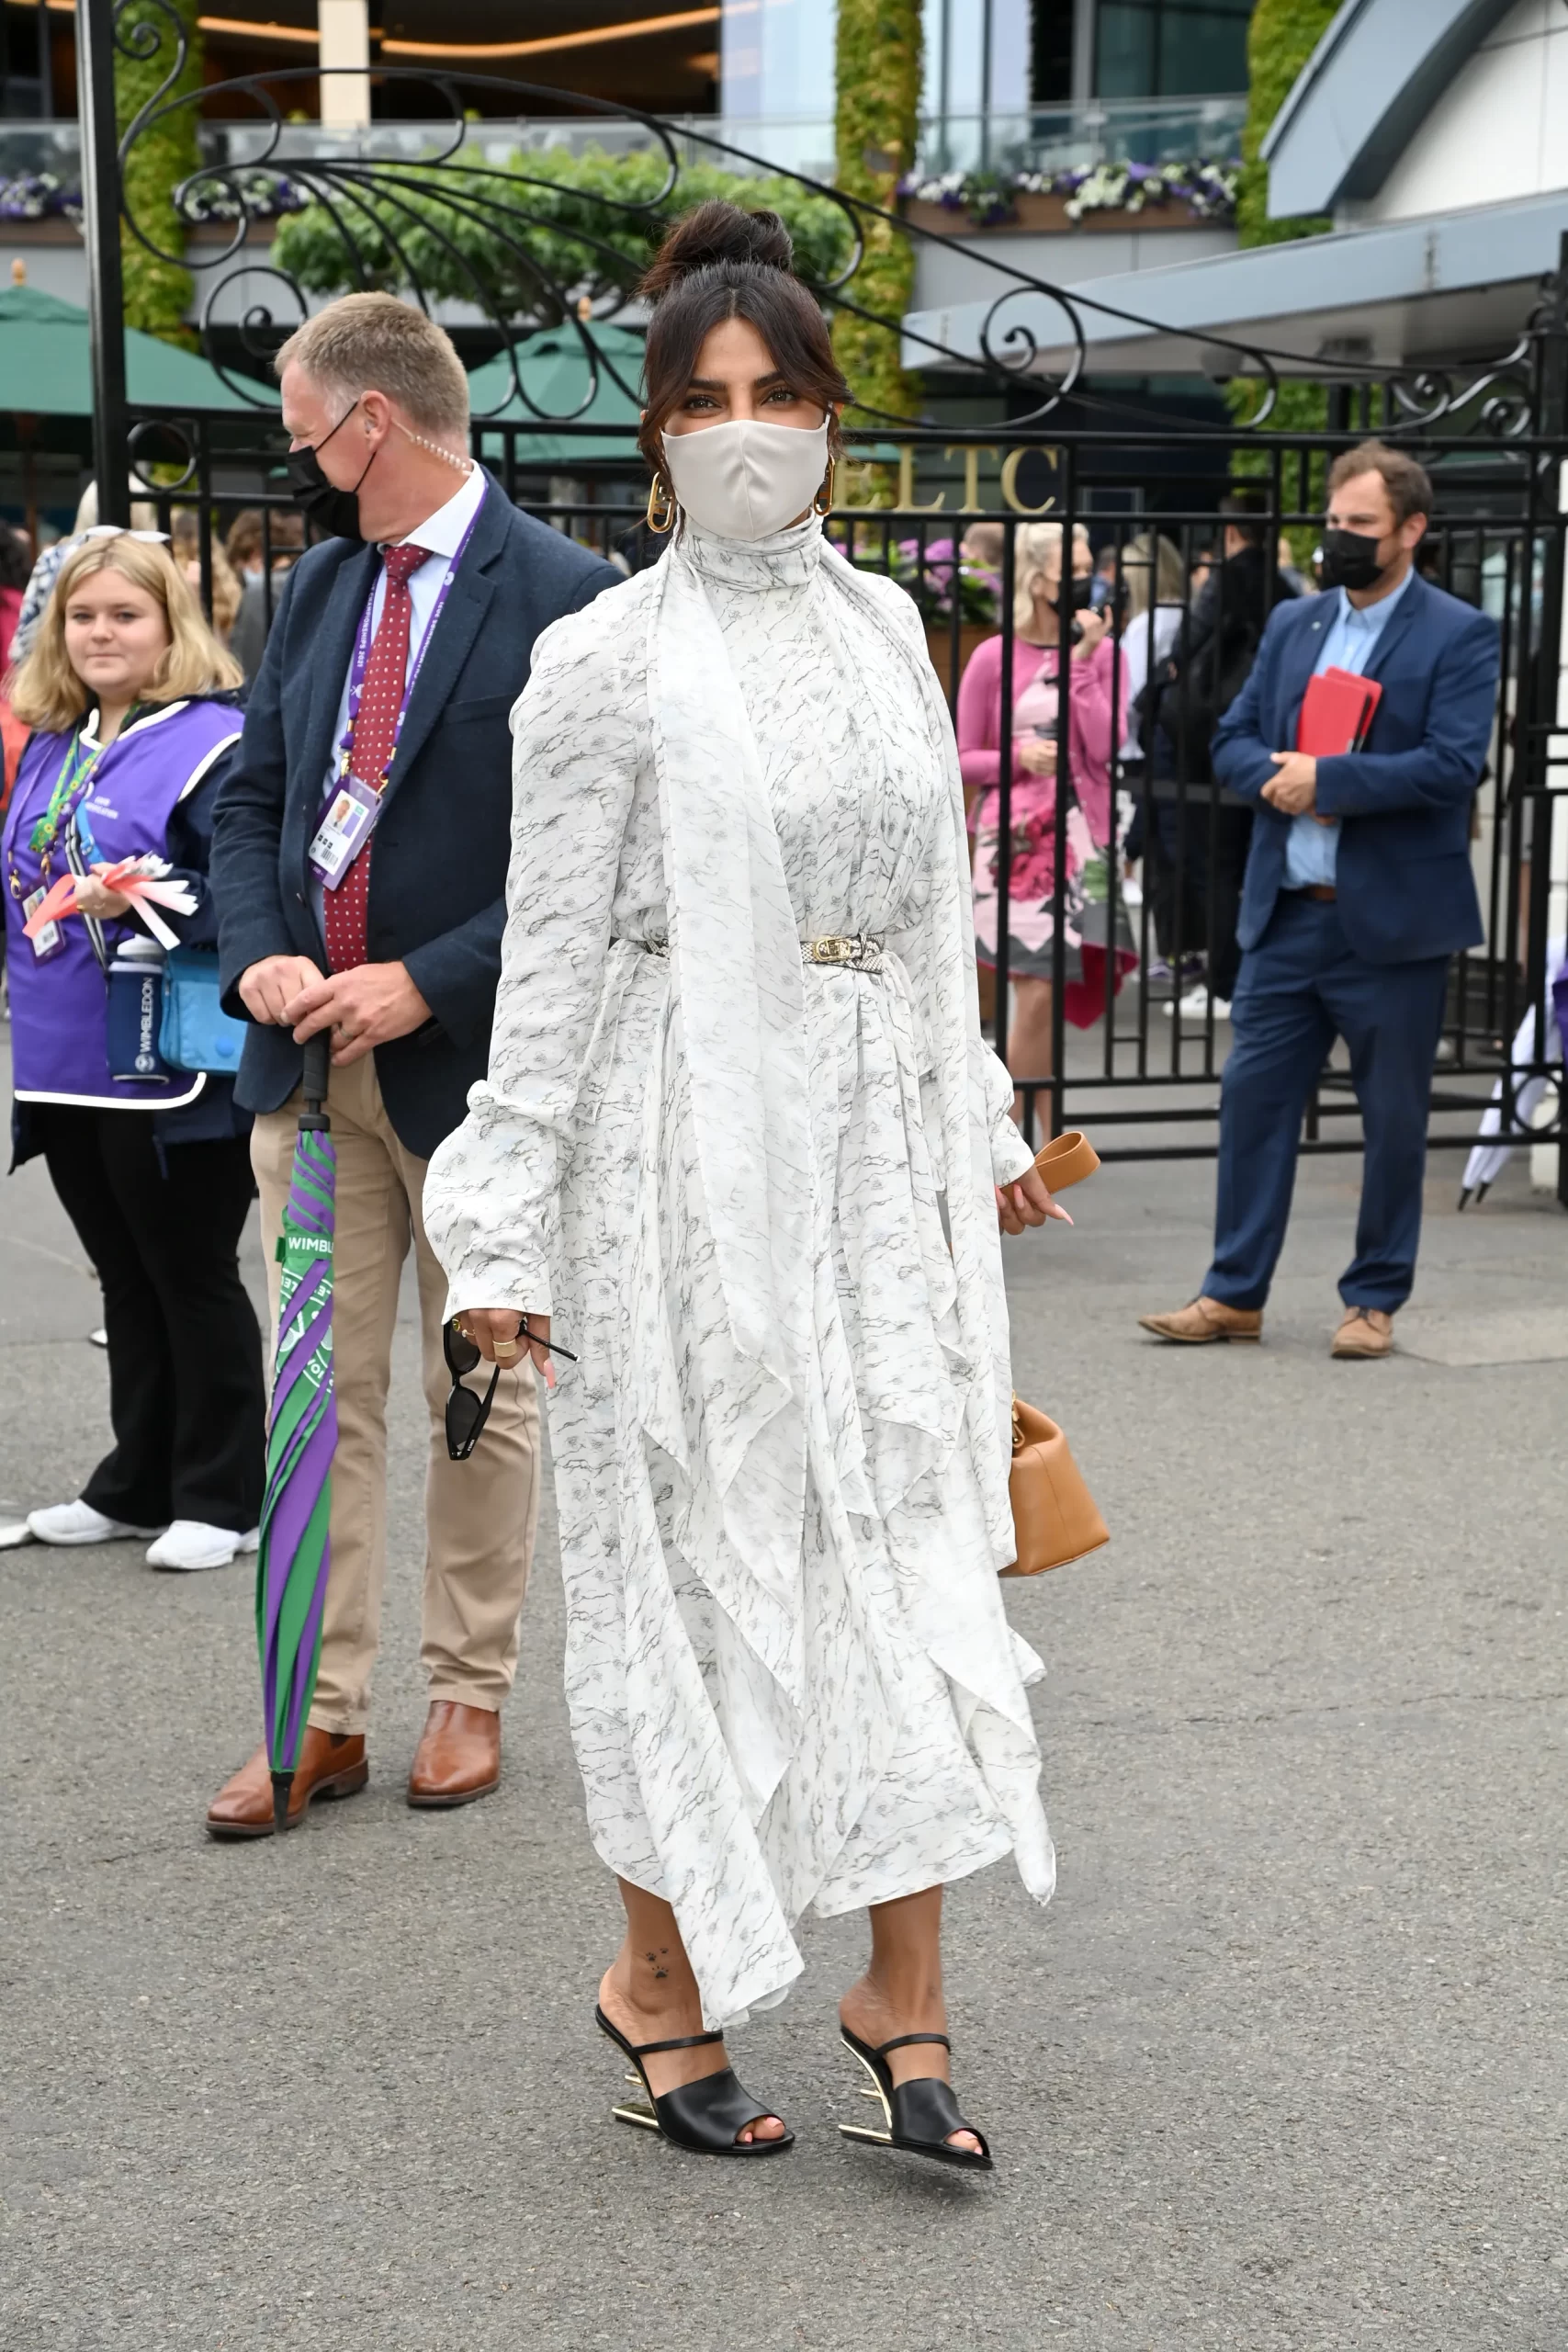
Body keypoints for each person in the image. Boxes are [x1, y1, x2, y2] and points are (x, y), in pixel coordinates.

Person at [423, 200, 1064, 2169]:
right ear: (653, 438)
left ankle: (906, 1992)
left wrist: (972, 1120)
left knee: (906, 1543)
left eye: (776, 389)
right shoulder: (599, 663)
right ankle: (658, 1980)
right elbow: (542, 972)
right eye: (703, 400)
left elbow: (924, 916)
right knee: (697, 1570)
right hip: (675, 1160)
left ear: (834, 417)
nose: (743, 428)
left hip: (870, 1154)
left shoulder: (884, 627)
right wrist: (499, 1230)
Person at [205, 292, 620, 1838]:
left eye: (301, 427)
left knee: (478, 1392)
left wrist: (427, 982)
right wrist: (263, 954)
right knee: (316, 1398)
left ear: (368, 421)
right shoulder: (312, 589)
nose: (294, 457)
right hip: (305, 1073)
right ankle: (314, 1717)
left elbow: (599, 859)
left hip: (478, 1085)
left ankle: (467, 1690)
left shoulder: (573, 596)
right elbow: (251, 802)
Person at [1140, 442, 1501, 1361]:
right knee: (1252, 1103)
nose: (1341, 540)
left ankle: (1373, 1299)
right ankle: (1232, 1292)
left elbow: (1456, 765)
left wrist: (1328, 779)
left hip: (1390, 925)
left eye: (1362, 528)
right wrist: (1275, 776)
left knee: (1391, 1121)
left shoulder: (1459, 633)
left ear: (1411, 531)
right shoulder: (1297, 621)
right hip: (1286, 914)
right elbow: (1228, 736)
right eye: (1334, 524)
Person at [3, 535, 265, 1569]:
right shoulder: (56, 739)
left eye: (125, 615)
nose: (101, 634)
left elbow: (246, 892)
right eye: (83, 616)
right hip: (61, 1053)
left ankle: (221, 1496)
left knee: (190, 1271)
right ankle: (136, 1480)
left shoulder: (214, 741)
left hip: (168, 1059)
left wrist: (149, 894)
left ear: (171, 627)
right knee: (122, 1277)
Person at [960, 520, 1134, 1114]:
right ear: (1038, 582)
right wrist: (1019, 757)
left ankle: (1038, 1134)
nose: (1090, 584)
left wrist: (1082, 661)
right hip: (1016, 845)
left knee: (1059, 985)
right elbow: (961, 758)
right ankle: (1011, 1143)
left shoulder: (1106, 654)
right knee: (1034, 988)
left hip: (1090, 843)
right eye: (1076, 574)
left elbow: (1106, 743)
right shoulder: (992, 657)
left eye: (1091, 572)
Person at [1140, 489, 1298, 1020]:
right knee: (1247, 859)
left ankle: (1224, 980)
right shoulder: (1282, 587)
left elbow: (1187, 645)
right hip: (1265, 735)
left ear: (1230, 534)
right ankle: (1245, 975)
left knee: (1213, 867)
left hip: (1206, 740)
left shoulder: (1226, 580)